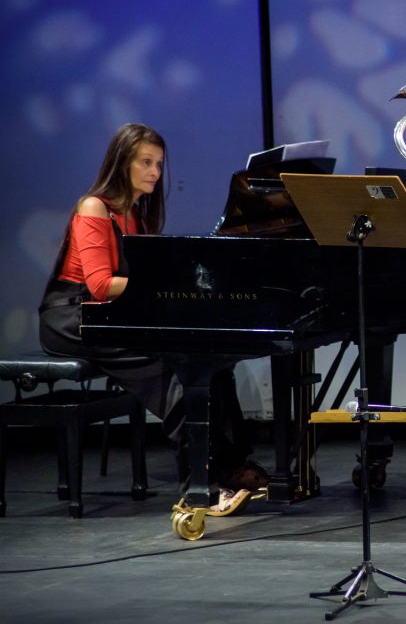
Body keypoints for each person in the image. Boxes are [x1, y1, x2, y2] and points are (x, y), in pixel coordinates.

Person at [38, 122, 266, 515]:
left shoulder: (136, 216)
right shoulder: (95, 207)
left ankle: (230, 466)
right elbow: (98, 285)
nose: (155, 173)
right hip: (73, 316)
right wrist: (162, 286)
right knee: (176, 374)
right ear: (121, 162)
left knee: (210, 361)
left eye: (159, 164)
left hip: (111, 312)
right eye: (146, 162)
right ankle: (198, 486)